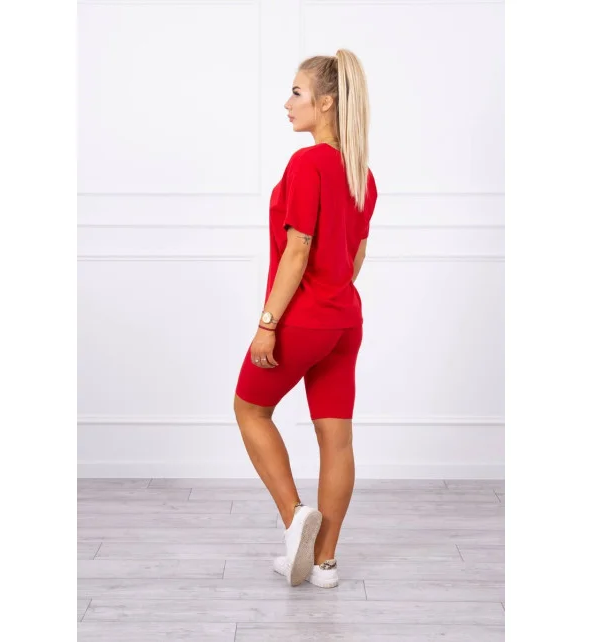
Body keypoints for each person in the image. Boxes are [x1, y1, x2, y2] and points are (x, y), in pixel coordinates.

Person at [233, 49, 377, 588]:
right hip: (345, 322)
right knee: (336, 439)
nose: (287, 103)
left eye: (296, 92)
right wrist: (332, 296)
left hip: (303, 319)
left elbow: (298, 250)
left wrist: (268, 322)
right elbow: (355, 259)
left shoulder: (307, 163)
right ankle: (325, 564)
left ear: (327, 101)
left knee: (250, 409)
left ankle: (297, 521)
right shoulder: (362, 174)